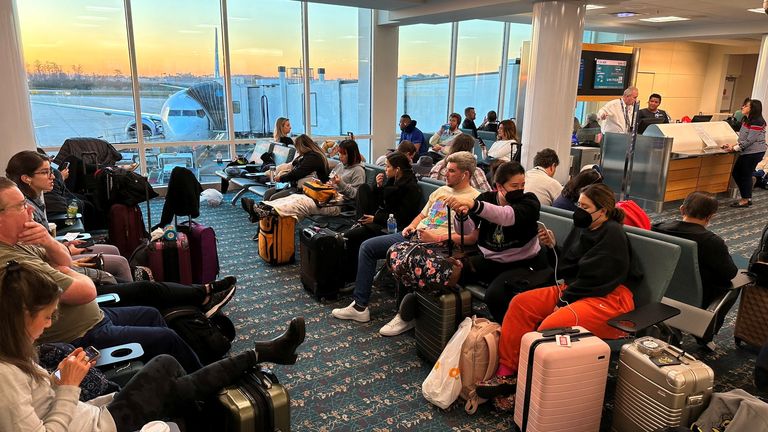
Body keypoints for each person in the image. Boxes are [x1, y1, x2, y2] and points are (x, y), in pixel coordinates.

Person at [0, 260, 306, 432]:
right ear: (18, 317)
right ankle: (255, 361)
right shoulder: (5, 377)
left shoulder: (15, 352)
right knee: (168, 365)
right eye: (45, 316)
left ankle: (257, 359)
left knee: (167, 365)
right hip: (105, 424)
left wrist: (60, 381)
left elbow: (39, 405)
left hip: (97, 413)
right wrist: (68, 387)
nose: (49, 324)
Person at [0, 177, 237, 372]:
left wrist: (48, 243)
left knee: (152, 313)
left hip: (96, 316)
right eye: (21, 205)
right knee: (167, 336)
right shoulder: (11, 261)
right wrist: (70, 272)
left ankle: (172, 375)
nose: (29, 209)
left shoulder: (19, 242)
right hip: (80, 336)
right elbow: (85, 291)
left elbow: (64, 262)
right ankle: (205, 388)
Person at [476, 183, 636, 412]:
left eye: (585, 206)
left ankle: (525, 385)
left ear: (603, 210)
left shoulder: (612, 234)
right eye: (578, 204)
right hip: (577, 289)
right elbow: (572, 267)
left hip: (607, 298)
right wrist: (553, 247)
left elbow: (597, 278)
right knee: (521, 304)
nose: (579, 210)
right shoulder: (584, 227)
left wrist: (563, 301)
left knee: (550, 326)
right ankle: (507, 373)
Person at [331, 152, 480, 336]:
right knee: (367, 247)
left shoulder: (475, 199)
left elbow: (472, 238)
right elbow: (423, 215)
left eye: (451, 171)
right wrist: (410, 226)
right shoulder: (440, 191)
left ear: (465, 174)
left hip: (441, 245)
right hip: (415, 235)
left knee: (402, 255)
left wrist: (435, 238)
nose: (445, 174)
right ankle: (360, 306)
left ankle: (404, 316)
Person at [443, 161, 551, 322]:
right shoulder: (486, 198)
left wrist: (474, 205)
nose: (520, 189)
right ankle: (454, 320)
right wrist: (461, 215)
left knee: (495, 295)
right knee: (447, 272)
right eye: (515, 186)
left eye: (523, 184)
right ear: (500, 187)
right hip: (491, 260)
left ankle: (507, 330)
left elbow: (507, 216)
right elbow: (464, 230)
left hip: (523, 262)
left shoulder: (529, 202)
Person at [5, 151, 132, 282]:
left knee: (113, 250)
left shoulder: (35, 201)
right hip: (54, 265)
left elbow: (42, 246)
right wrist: (67, 253)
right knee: (120, 264)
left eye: (51, 171)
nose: (52, 177)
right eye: (45, 172)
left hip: (55, 256)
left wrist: (63, 245)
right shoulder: (26, 210)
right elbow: (38, 255)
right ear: (26, 178)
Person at [241, 139, 366, 222]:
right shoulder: (341, 166)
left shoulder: (358, 171)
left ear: (352, 154)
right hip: (326, 198)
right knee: (294, 198)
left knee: (300, 203)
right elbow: (330, 183)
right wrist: (323, 184)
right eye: (339, 154)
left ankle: (261, 212)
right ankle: (260, 209)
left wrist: (340, 183)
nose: (340, 157)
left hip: (338, 206)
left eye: (343, 154)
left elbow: (357, 195)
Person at [345, 151, 422, 281]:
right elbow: (383, 203)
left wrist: (375, 219)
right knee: (364, 188)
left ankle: (352, 277)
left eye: (387, 166)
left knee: (350, 236)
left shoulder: (411, 188)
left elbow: (402, 216)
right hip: (382, 218)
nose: (385, 169)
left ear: (397, 169)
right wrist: (379, 187)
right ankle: (361, 222)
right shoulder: (393, 181)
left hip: (394, 226)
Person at [653, 192, 737, 308]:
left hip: (658, 289)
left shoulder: (657, 228)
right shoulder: (712, 242)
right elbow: (730, 273)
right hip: (696, 298)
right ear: (710, 216)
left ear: (682, 209)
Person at [722, 99, 767, 207]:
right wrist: (733, 145)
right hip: (748, 151)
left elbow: (750, 140)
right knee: (739, 173)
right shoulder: (746, 120)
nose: (742, 107)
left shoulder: (757, 122)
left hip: (754, 152)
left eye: (746, 106)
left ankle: (745, 199)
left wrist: (735, 148)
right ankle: (747, 197)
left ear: (753, 109)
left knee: (743, 174)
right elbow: (743, 138)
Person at [262, 134, 330, 201]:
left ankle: (265, 210)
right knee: (267, 194)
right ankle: (261, 210)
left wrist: (281, 178)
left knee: (274, 198)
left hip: (307, 189)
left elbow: (297, 173)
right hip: (295, 185)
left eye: (297, 148)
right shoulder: (306, 156)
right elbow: (294, 168)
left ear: (301, 147)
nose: (297, 151)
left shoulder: (313, 158)